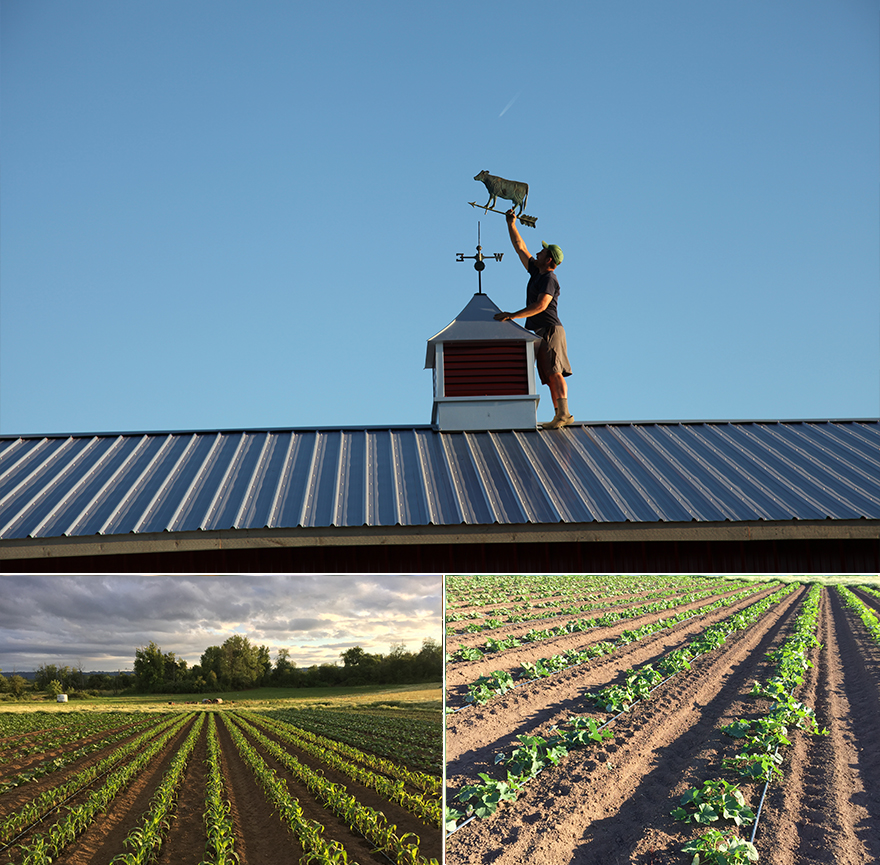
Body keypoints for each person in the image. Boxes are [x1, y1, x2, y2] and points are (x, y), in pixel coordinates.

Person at [494, 208, 573, 429]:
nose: (536, 253)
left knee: (555, 372)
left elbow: (541, 305)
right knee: (548, 375)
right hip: (542, 331)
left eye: (541, 252)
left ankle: (564, 414)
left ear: (548, 259)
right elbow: (520, 248)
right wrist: (511, 224)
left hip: (549, 330)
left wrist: (513, 315)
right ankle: (559, 414)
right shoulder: (538, 273)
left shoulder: (549, 278)